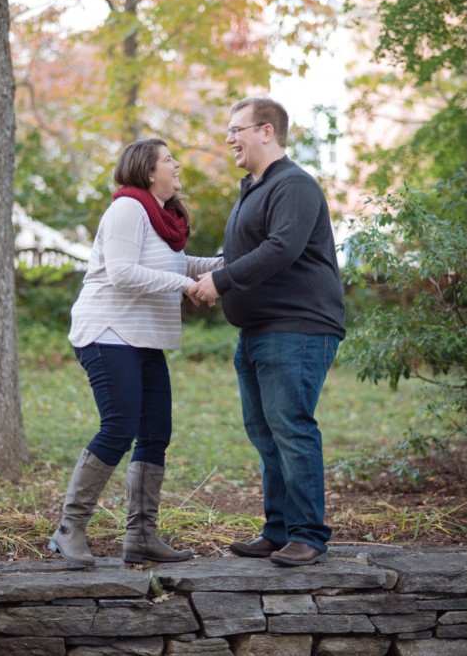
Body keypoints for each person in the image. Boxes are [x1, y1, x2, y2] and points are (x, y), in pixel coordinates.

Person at [190, 97, 345, 567]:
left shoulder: (294, 185)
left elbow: (280, 249)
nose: (229, 139)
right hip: (257, 331)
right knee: (265, 433)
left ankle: (307, 535)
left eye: (237, 129)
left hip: (295, 329)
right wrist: (187, 270)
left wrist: (220, 281)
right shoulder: (253, 189)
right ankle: (278, 530)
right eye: (228, 132)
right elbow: (236, 257)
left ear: (266, 132)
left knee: (291, 429)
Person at [52, 138, 222, 567]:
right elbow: (124, 272)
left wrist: (223, 266)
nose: (176, 164)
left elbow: (175, 265)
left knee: (155, 433)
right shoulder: (127, 208)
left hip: (142, 338)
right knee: (119, 427)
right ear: (148, 171)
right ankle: (69, 529)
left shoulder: (161, 217)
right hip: (108, 331)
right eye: (169, 160)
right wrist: (188, 286)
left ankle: (141, 536)